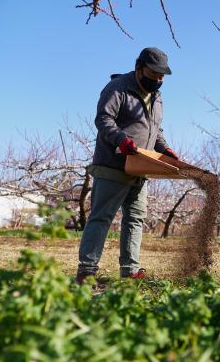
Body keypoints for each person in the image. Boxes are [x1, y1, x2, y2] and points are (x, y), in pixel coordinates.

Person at [76, 47, 179, 284]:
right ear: (139, 67)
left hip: (141, 167)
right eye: (154, 74)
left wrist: (164, 149)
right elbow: (103, 118)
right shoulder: (118, 88)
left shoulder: (157, 97)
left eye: (162, 76)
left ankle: (129, 270)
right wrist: (122, 141)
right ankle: (86, 271)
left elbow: (155, 129)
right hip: (114, 164)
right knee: (102, 218)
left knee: (135, 219)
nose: (158, 80)